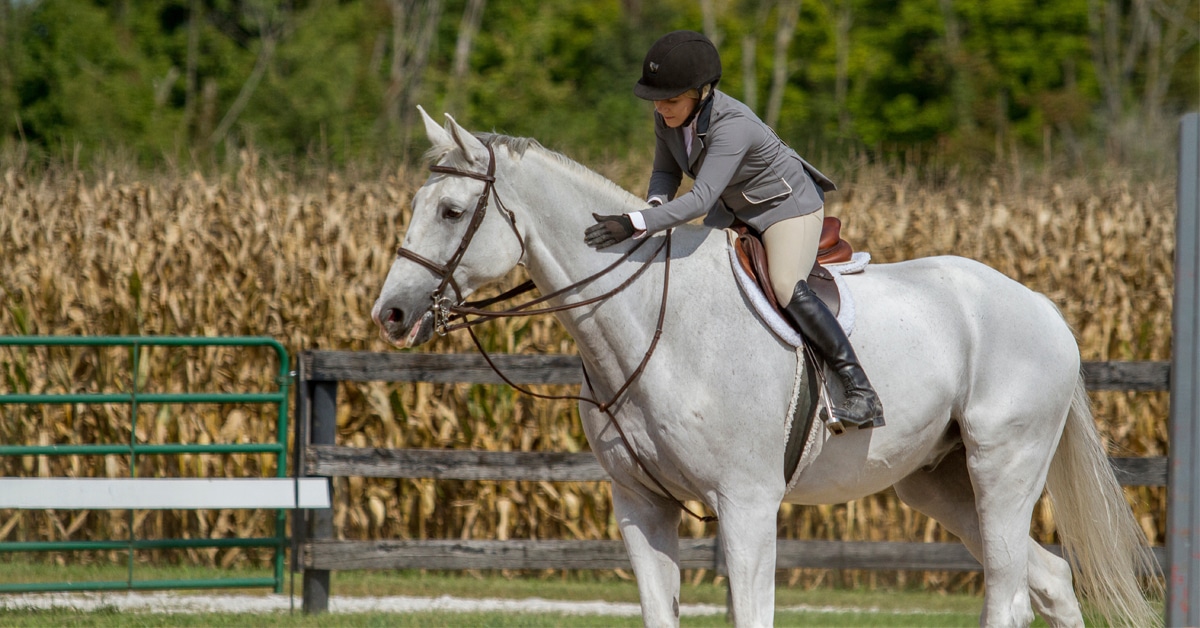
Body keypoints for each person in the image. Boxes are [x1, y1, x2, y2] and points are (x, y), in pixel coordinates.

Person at [584, 30, 883, 429]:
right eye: (656, 100)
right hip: (734, 210)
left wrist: (635, 222)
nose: (661, 108)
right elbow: (664, 172)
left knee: (784, 285)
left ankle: (861, 391)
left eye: (671, 99)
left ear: (702, 92)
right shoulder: (669, 118)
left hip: (786, 208)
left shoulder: (733, 124)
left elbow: (701, 198)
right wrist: (653, 207)